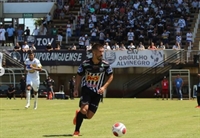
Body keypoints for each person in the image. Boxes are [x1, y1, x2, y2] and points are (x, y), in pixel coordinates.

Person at [72, 43, 113, 137]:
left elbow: (111, 76)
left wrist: (104, 87)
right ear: (94, 52)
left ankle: (78, 115)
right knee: (84, 109)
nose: (102, 54)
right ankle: (76, 131)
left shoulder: (105, 65)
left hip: (98, 92)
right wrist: (76, 88)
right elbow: (79, 75)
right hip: (86, 89)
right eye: (100, 52)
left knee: (89, 116)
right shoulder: (85, 64)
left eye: (103, 52)